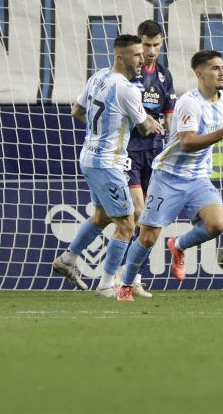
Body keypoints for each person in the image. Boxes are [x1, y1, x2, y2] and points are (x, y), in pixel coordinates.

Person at [117, 50, 223, 301]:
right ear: (199, 73)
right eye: (215, 68)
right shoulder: (189, 102)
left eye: (222, 67)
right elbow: (187, 142)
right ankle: (126, 284)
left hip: (198, 178)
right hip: (169, 177)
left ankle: (179, 245)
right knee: (148, 238)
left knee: (217, 224)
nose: (222, 72)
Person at [52, 34, 163, 295]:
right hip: (107, 163)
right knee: (126, 224)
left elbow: (76, 112)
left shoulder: (97, 77)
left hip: (89, 157)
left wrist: (100, 132)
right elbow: (145, 127)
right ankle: (106, 284)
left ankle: (67, 260)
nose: (142, 59)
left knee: (102, 216)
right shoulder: (127, 89)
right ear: (120, 57)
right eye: (136, 55)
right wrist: (156, 124)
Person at [117, 20, 175, 298]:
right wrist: (143, 120)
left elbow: (169, 114)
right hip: (128, 152)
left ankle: (129, 275)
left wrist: (170, 145)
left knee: (148, 218)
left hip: (155, 153)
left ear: (162, 43)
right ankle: (122, 275)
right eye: (146, 45)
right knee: (138, 213)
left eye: (155, 45)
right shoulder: (128, 76)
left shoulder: (165, 76)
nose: (150, 51)